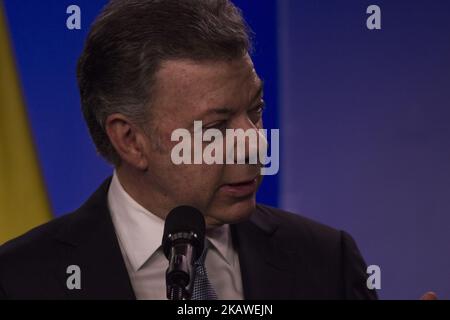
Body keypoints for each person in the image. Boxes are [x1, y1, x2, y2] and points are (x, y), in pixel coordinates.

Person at [0, 0, 377, 299]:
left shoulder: (328, 262)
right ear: (130, 140)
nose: (255, 142)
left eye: (256, 111)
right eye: (215, 127)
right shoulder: (19, 281)